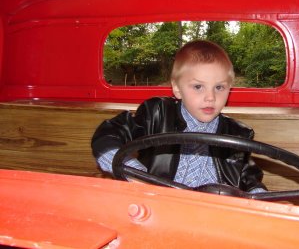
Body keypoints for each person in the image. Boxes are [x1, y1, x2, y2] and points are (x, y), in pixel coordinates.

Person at [91, 40, 267, 193]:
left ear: (230, 89)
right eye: (198, 87)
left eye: (219, 87)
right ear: (177, 88)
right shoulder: (157, 114)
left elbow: (248, 177)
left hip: (214, 214)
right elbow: (110, 133)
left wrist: (262, 196)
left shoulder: (237, 134)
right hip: (157, 205)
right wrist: (132, 171)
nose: (210, 97)